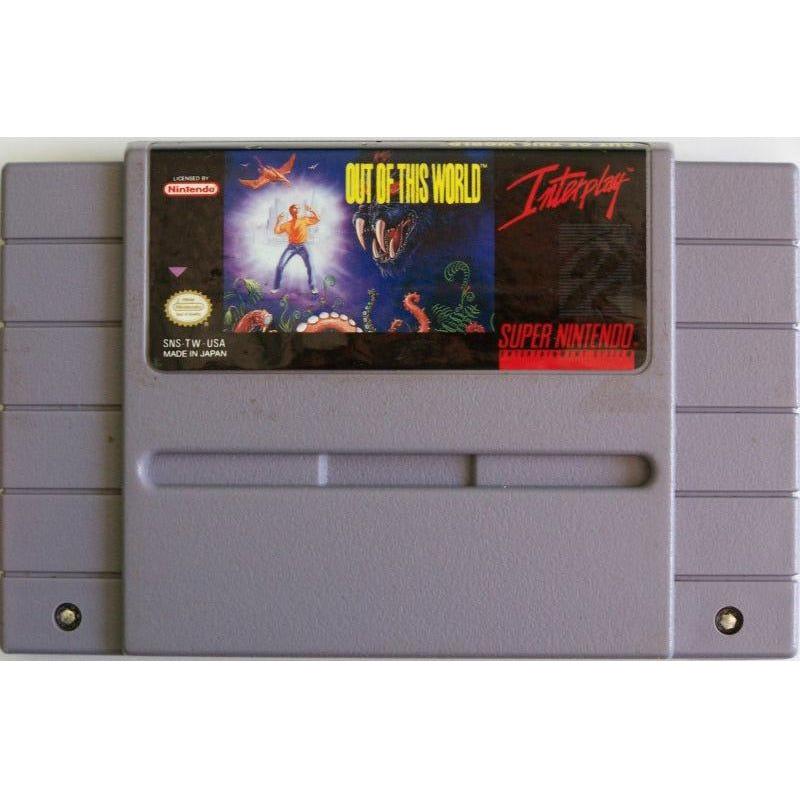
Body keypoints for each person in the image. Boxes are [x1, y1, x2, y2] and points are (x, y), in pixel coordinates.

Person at [270, 203, 320, 294]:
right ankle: (276, 287)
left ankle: (313, 287)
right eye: (295, 208)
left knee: (310, 266)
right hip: (291, 247)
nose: (297, 210)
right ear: (291, 211)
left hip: (303, 246)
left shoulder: (304, 220)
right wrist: (278, 221)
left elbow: (317, 219)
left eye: (298, 208)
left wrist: (312, 210)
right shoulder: (287, 224)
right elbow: (276, 231)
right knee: (280, 266)